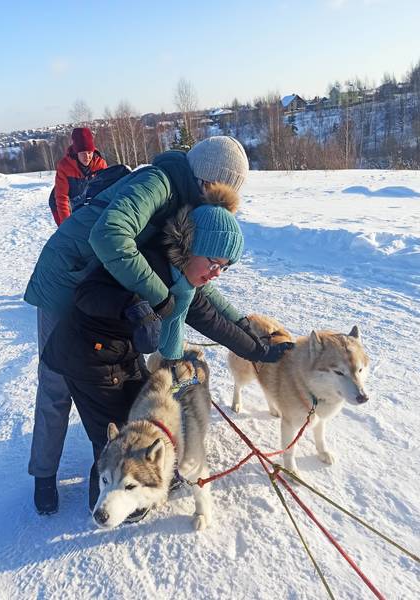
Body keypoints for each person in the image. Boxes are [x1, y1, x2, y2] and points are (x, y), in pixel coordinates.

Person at [24, 136, 289, 514]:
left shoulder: (189, 207)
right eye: (215, 192)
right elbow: (109, 234)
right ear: (204, 180)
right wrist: (157, 298)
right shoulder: (159, 184)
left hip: (107, 287)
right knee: (57, 382)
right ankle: (43, 475)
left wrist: (241, 324)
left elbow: (191, 290)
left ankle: (119, 466)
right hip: (67, 279)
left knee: (119, 381)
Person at [49, 127, 107, 226]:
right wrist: (67, 225)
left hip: (81, 201)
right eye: (83, 153)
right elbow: (61, 198)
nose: (87, 157)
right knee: (68, 233)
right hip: (61, 204)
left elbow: (105, 192)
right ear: (76, 153)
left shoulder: (100, 164)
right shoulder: (64, 166)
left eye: (89, 152)